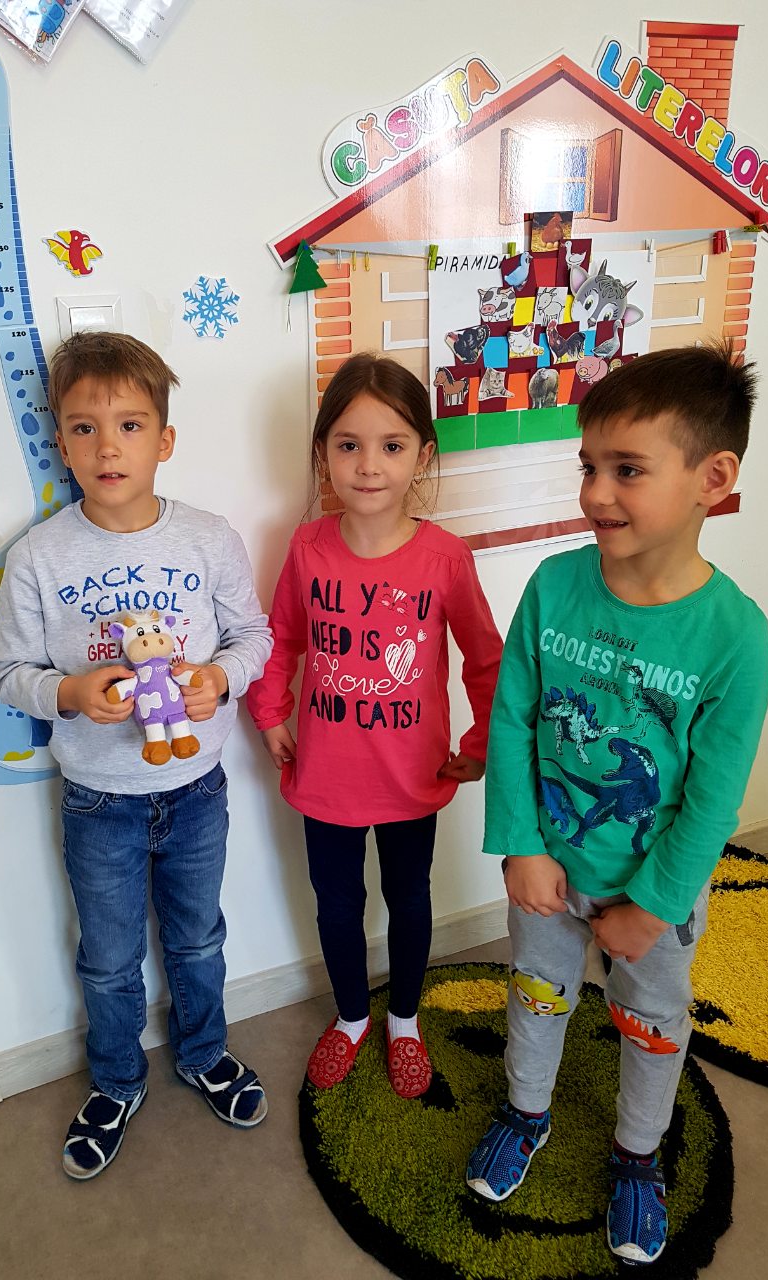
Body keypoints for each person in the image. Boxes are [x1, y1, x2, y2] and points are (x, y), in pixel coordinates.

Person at [465, 342, 768, 1265]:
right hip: (547, 874)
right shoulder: (554, 587)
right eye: (588, 466)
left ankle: (638, 1155)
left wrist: (654, 906)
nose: (596, 492)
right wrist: (520, 844)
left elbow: (713, 801)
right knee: (537, 998)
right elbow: (512, 718)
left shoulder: (735, 636)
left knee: (651, 1026)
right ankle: (527, 1111)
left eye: (627, 470)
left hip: (653, 895)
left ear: (712, 479)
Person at [0, 332, 273, 1180]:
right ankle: (116, 1080)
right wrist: (71, 693)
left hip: (197, 788)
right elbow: (8, 672)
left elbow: (254, 638)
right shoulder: (38, 557)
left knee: (198, 939)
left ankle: (204, 1052)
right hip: (97, 800)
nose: (107, 447)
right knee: (109, 959)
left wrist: (217, 680)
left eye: (130, 425)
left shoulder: (209, 539)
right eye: (84, 428)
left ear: (165, 439)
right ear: (61, 442)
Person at [247, 352, 502, 1098]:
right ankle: (353, 1016)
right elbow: (281, 639)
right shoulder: (307, 546)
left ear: (422, 454)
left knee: (409, 897)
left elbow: (486, 660)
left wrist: (479, 744)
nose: (367, 465)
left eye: (391, 445)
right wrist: (269, 713)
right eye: (348, 444)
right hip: (325, 773)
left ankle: (405, 1022)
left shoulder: (445, 559)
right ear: (323, 452)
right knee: (336, 903)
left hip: (411, 776)